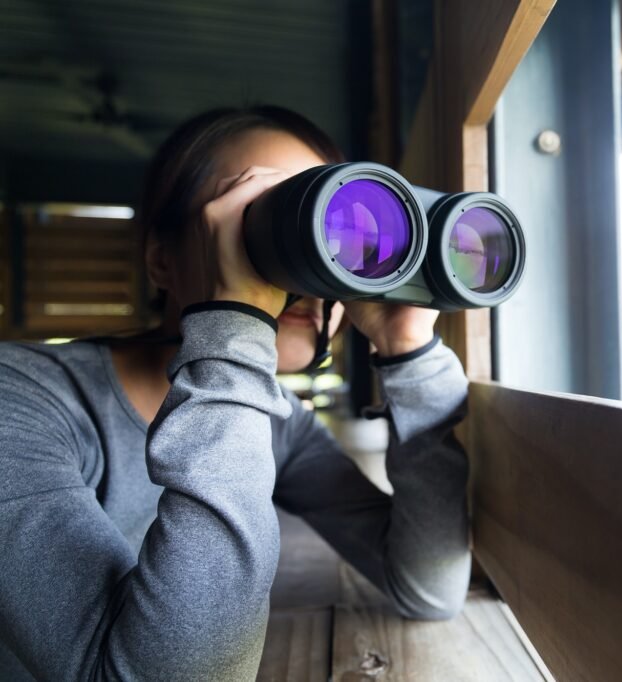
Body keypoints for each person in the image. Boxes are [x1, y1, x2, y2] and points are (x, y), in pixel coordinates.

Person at [0, 106, 472, 681]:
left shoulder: (276, 424)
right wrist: (231, 324)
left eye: (333, 224)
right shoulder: (21, 398)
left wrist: (409, 353)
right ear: (163, 259)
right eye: (262, 220)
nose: (305, 269)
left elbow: (428, 586)